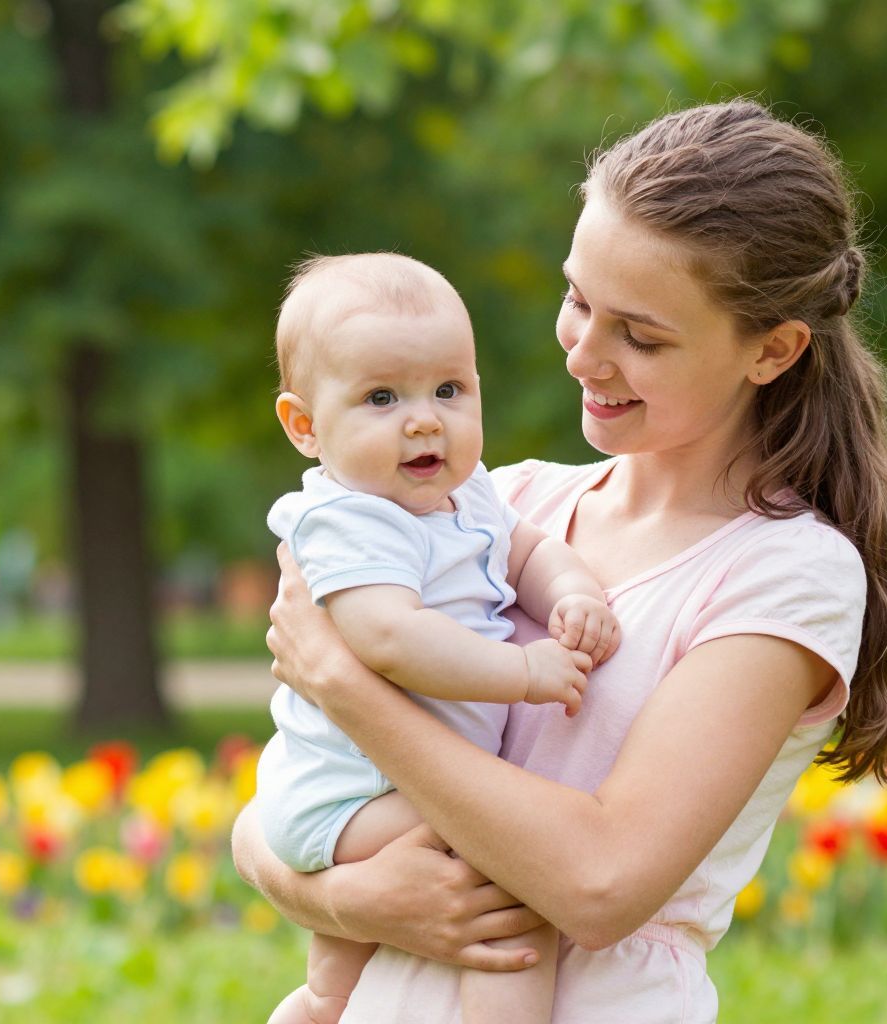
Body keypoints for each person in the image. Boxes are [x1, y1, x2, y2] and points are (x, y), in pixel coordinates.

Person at [238, 98, 887, 1022]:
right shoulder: (498, 503)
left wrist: (344, 682)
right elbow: (269, 819)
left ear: (772, 350)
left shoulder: (785, 575)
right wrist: (345, 901)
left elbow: (601, 883)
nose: (582, 355)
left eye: (639, 336)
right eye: (577, 300)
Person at [259, 252, 623, 1024]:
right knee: (510, 873)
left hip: (394, 780)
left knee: (343, 986)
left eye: (448, 390)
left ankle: (320, 1005)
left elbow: (525, 552)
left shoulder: (471, 493)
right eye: (381, 397)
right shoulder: (348, 520)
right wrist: (521, 672)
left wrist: (573, 591)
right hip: (350, 794)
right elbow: (389, 637)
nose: (424, 418)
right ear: (304, 426)